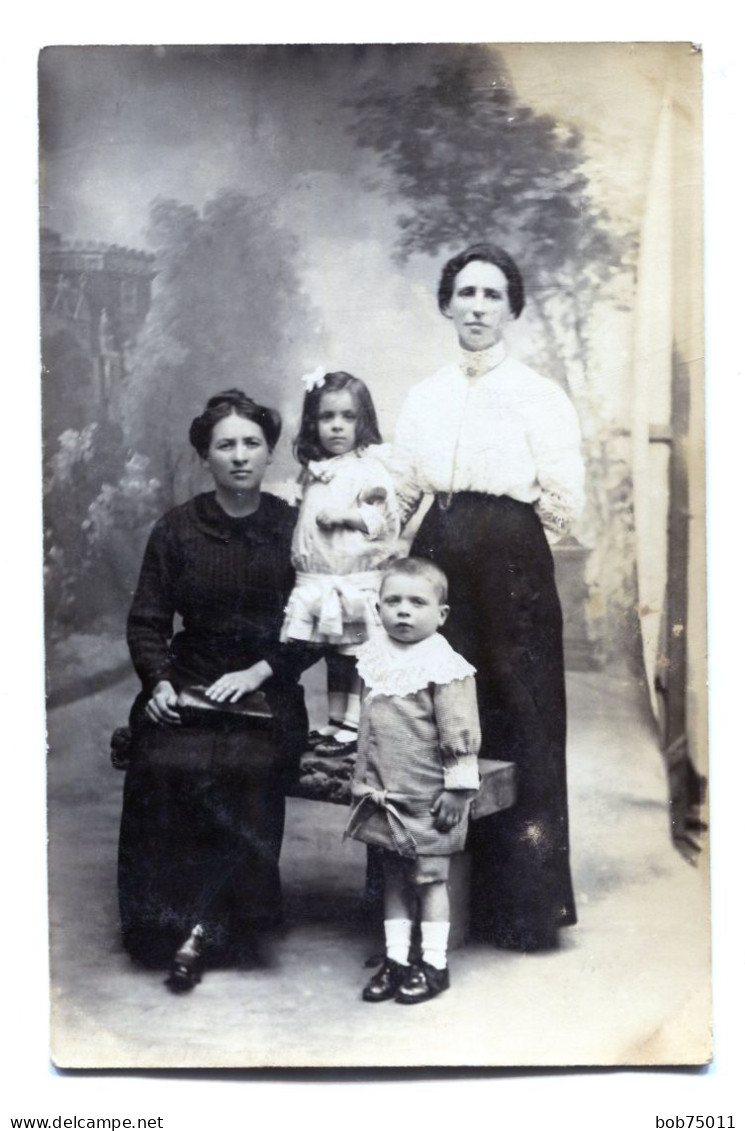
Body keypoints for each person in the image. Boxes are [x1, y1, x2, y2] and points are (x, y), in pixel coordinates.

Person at [394, 243, 585, 952]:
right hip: (440, 556)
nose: (476, 306)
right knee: (440, 711)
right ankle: (438, 899)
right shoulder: (425, 395)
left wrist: (509, 544)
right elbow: (404, 486)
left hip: (511, 565)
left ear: (510, 308)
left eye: (490, 294)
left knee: (522, 715)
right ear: (446, 303)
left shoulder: (538, 394)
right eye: (464, 293)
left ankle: (525, 906)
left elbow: (563, 500)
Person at [118, 389, 308, 992]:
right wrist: (160, 682)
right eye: (225, 445)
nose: (240, 456)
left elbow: (314, 625)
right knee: (161, 758)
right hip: (190, 678)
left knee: (247, 765)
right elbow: (148, 620)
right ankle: (162, 924)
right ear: (206, 455)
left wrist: (261, 671)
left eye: (252, 443)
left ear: (270, 453)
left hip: (265, 687)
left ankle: (208, 928)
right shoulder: (177, 530)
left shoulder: (291, 528)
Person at [345, 557, 481, 1004]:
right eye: (393, 601)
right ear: (379, 606)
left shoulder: (445, 665)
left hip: (427, 798)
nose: (403, 611)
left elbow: (460, 732)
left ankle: (435, 964)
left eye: (417, 602)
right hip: (385, 792)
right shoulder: (375, 656)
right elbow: (369, 722)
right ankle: (397, 959)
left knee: (429, 880)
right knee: (393, 878)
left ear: (441, 614)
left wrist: (458, 789)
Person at [281, 369, 399, 756]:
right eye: (326, 417)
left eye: (347, 418)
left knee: (357, 656)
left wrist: (345, 517)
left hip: (354, 578)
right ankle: (334, 723)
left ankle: (355, 726)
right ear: (313, 422)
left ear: (363, 421)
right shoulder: (315, 469)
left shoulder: (368, 468)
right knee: (335, 656)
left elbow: (383, 521)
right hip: (322, 578)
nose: (336, 427)